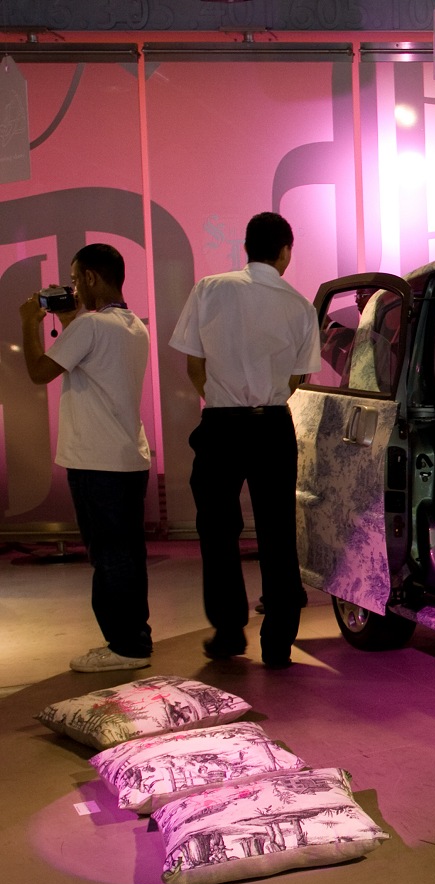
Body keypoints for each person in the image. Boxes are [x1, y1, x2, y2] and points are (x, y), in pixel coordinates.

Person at [170, 212, 321, 667]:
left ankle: (229, 631)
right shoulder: (300, 305)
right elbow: (296, 379)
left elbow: (193, 364)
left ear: (246, 246)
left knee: (217, 529)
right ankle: (278, 643)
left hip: (221, 424)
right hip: (272, 424)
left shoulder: (209, 288)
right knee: (278, 531)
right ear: (285, 251)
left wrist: (222, 399)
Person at [19, 244, 154, 672]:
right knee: (128, 553)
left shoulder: (90, 326)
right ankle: (135, 639)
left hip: (96, 462)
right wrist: (68, 320)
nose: (73, 287)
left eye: (76, 279)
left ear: (92, 278)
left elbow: (39, 372)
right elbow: (91, 360)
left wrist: (28, 323)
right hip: (127, 456)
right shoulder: (133, 325)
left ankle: (124, 647)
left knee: (108, 555)